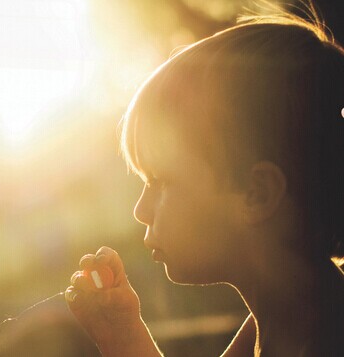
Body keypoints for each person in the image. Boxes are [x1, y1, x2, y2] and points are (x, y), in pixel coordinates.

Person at [65, 3, 344, 356]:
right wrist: (123, 335)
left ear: (257, 194)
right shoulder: (282, 322)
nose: (140, 210)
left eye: (161, 181)